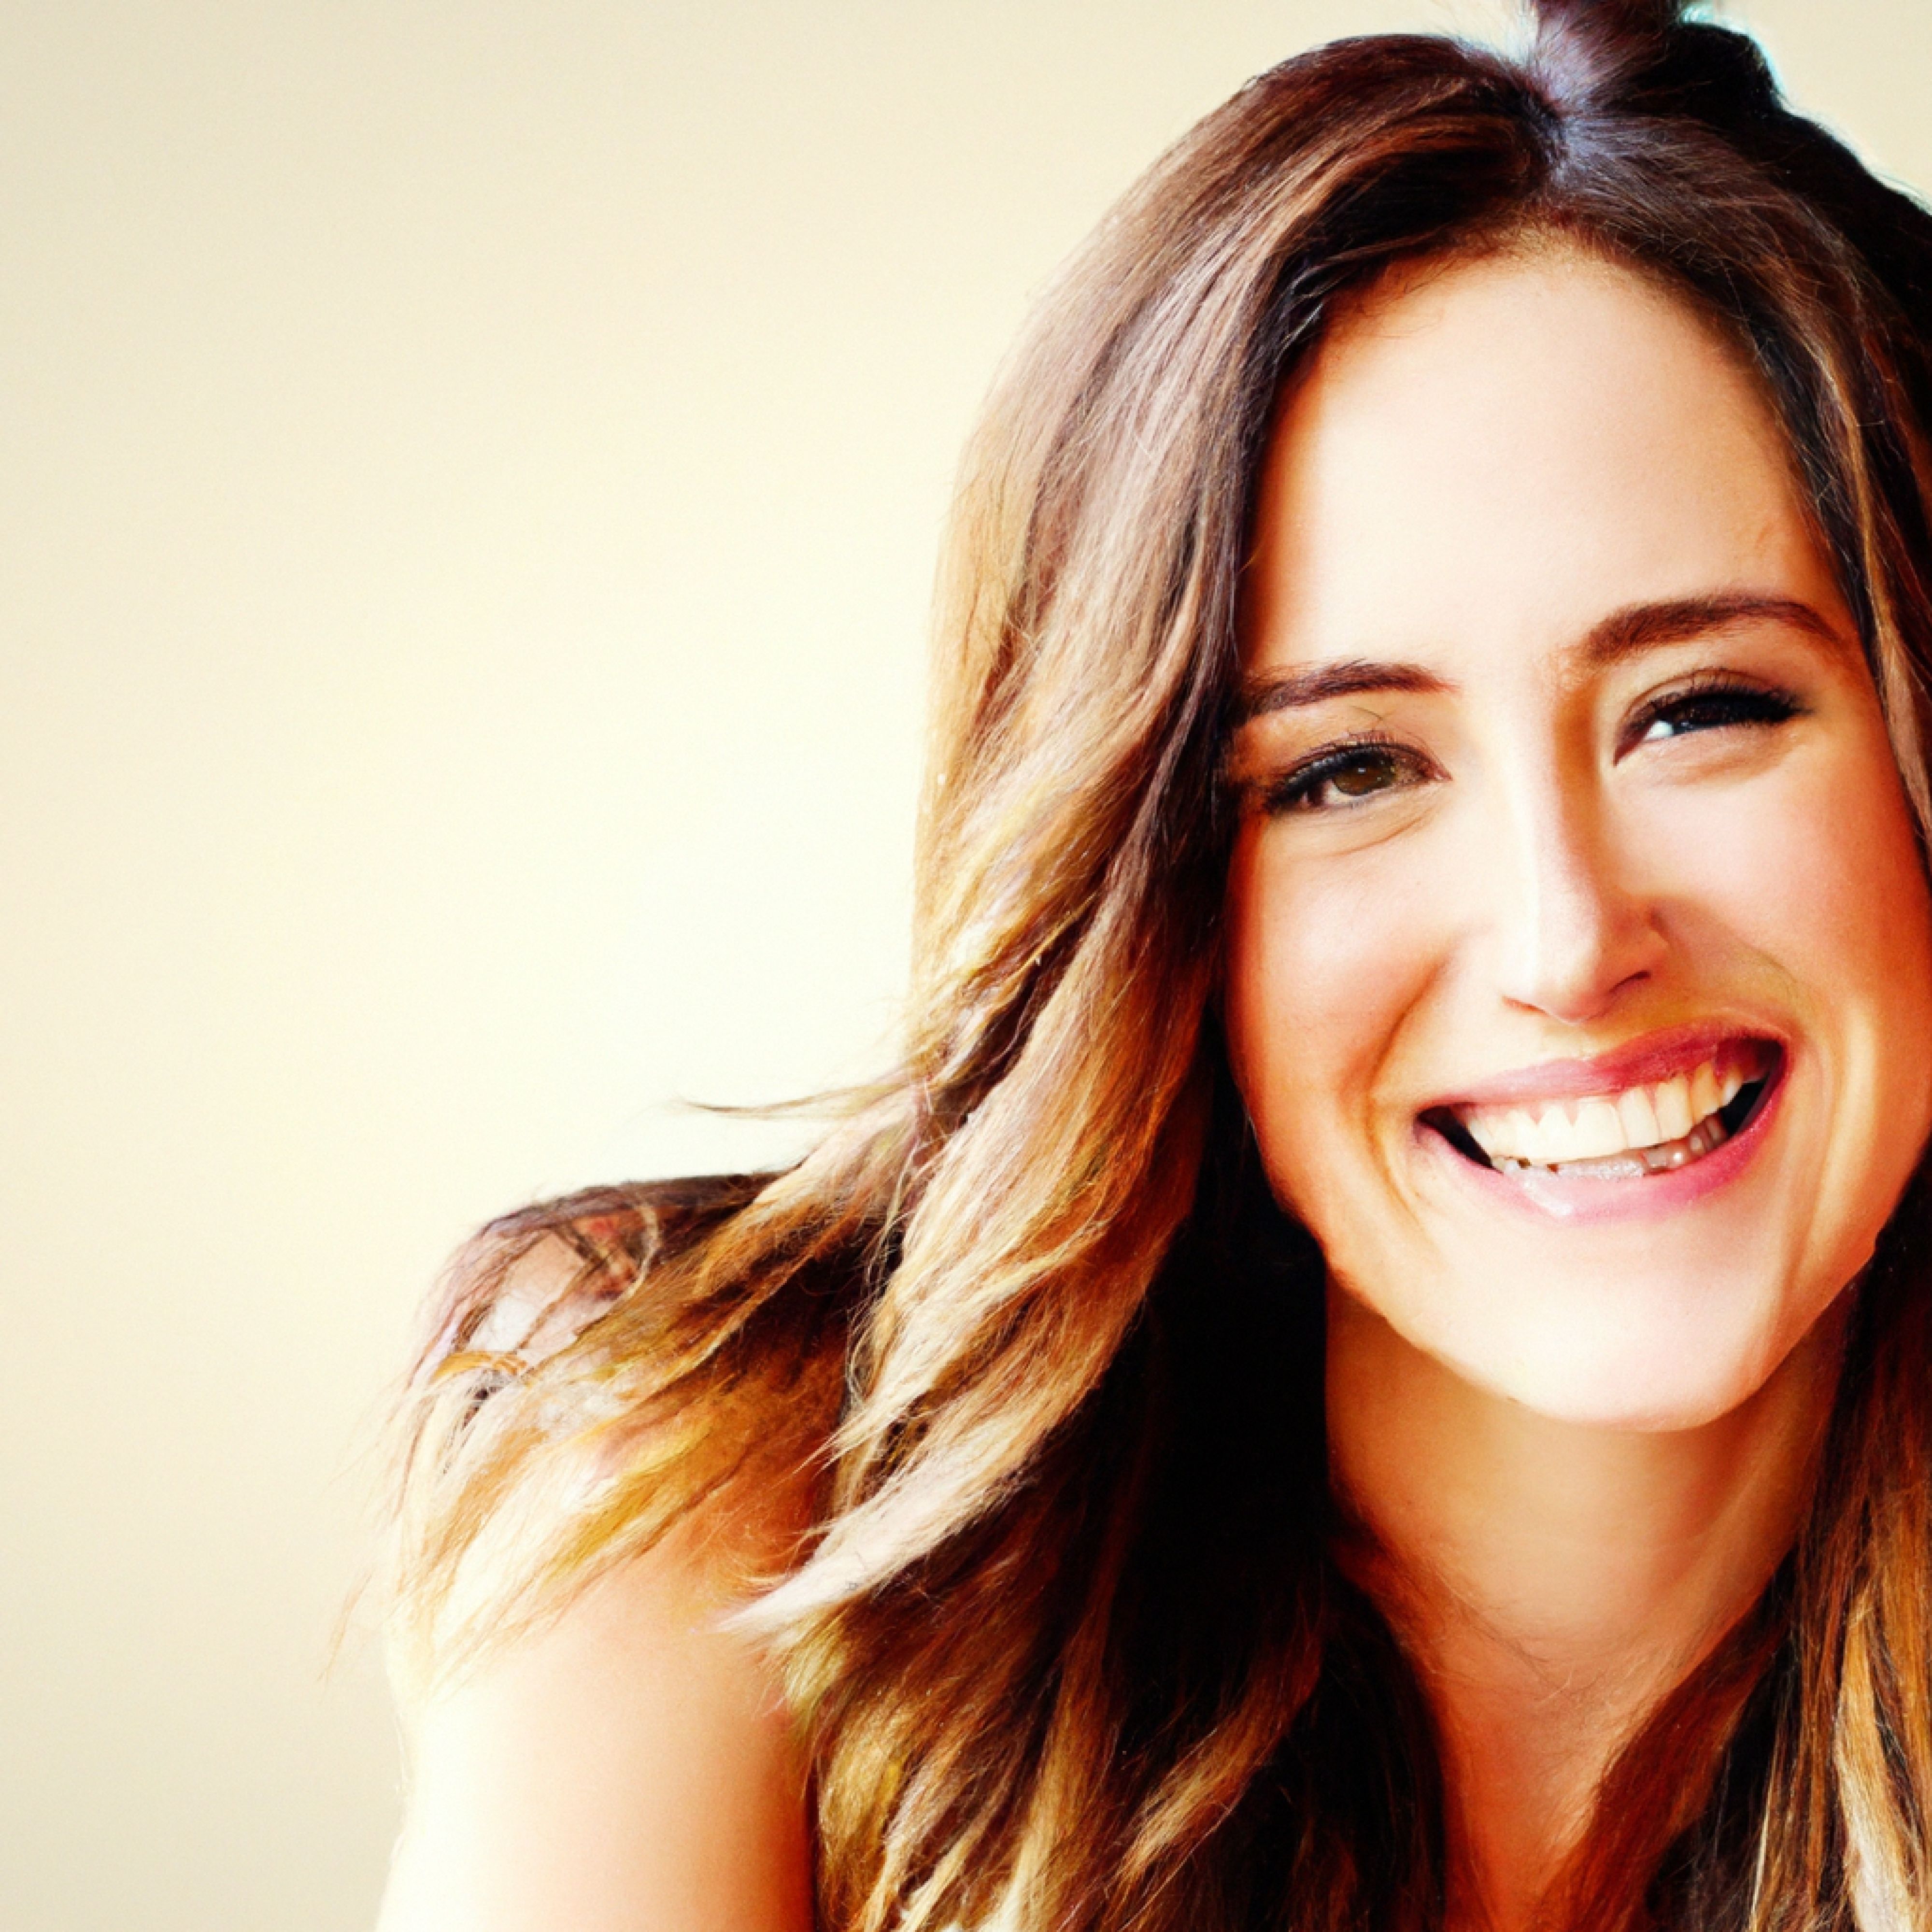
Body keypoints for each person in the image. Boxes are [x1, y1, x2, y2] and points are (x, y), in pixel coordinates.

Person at [371, 3, 1932, 1927]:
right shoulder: (706, 1476)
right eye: (1348, 770)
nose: (1564, 940)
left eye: (1698, 710)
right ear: (1156, 883)